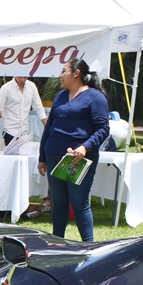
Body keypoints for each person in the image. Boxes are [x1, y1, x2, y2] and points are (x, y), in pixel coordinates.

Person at [37, 57, 110, 242]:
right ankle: (56, 243)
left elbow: (103, 129)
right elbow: (49, 127)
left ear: (76, 73)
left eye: (64, 71)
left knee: (79, 202)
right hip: (54, 155)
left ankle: (89, 246)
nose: (60, 75)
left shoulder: (95, 97)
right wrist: (42, 157)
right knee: (58, 202)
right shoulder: (60, 96)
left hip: (78, 159)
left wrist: (85, 148)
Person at [0, 76, 46, 146]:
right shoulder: (6, 88)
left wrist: (46, 125)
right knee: (12, 156)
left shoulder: (31, 86)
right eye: (20, 77)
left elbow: (38, 106)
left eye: (25, 77)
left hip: (24, 133)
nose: (23, 79)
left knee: (24, 155)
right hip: (10, 131)